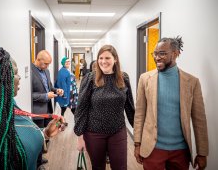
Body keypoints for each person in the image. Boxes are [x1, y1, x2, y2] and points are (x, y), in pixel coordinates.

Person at [0, 43, 66, 170]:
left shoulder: (9, 103)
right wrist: (45, 96)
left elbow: (19, 136)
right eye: (15, 73)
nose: (20, 77)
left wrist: (45, 133)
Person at [134, 37, 209, 170]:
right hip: (152, 149)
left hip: (180, 151)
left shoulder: (192, 82)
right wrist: (137, 143)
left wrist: (202, 153)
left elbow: (199, 120)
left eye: (162, 53)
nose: (157, 57)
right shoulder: (145, 79)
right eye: (155, 53)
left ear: (175, 54)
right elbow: (139, 114)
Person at [74, 45, 135, 170]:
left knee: (120, 167)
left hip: (117, 130)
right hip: (94, 132)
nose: (103, 61)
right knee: (97, 167)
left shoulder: (124, 78)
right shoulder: (90, 78)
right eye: (100, 58)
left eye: (107, 58)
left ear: (115, 59)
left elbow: (129, 106)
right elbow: (81, 108)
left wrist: (138, 132)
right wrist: (80, 137)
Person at [31, 50, 64, 128]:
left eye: (48, 64)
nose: (47, 66)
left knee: (48, 135)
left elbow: (50, 87)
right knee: (40, 137)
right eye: (46, 64)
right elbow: (29, 95)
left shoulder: (47, 71)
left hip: (48, 109)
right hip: (37, 113)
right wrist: (45, 96)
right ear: (38, 59)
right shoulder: (30, 71)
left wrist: (56, 90)